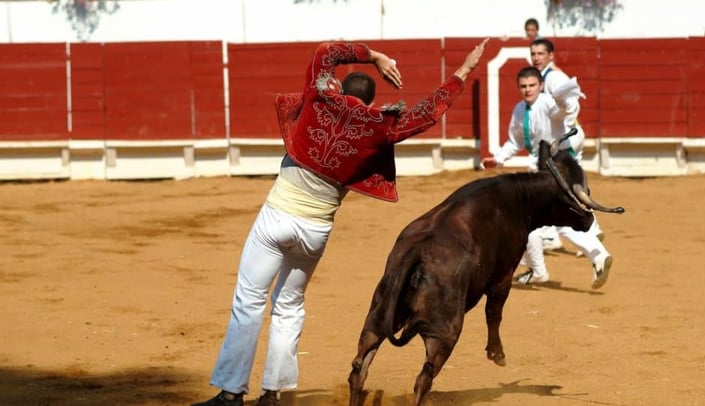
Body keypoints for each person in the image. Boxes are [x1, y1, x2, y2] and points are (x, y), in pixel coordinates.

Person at [191, 39, 488, 406]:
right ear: (368, 101)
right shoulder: (379, 127)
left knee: (250, 300)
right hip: (315, 230)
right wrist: (463, 71)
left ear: (340, 90)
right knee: (290, 305)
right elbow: (429, 112)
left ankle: (231, 393)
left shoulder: (319, 100)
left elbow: (325, 53)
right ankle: (272, 393)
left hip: (277, 217)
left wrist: (374, 56)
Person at [482, 63, 611, 289]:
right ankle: (596, 254)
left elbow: (561, 113)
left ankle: (540, 269)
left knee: (528, 219)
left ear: (541, 85)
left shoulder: (549, 103)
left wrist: (563, 102)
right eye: (523, 86)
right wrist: (499, 158)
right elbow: (515, 142)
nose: (528, 89)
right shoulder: (519, 110)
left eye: (532, 85)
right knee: (553, 221)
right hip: (546, 169)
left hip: (557, 168)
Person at [528, 38, 613, 288]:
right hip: (564, 141)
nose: (536, 57)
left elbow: (571, 104)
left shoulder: (552, 77)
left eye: (541, 53)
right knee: (568, 196)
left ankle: (587, 241)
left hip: (562, 144)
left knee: (558, 203)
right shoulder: (545, 75)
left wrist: (562, 131)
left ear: (551, 55)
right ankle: (589, 233)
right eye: (533, 53)